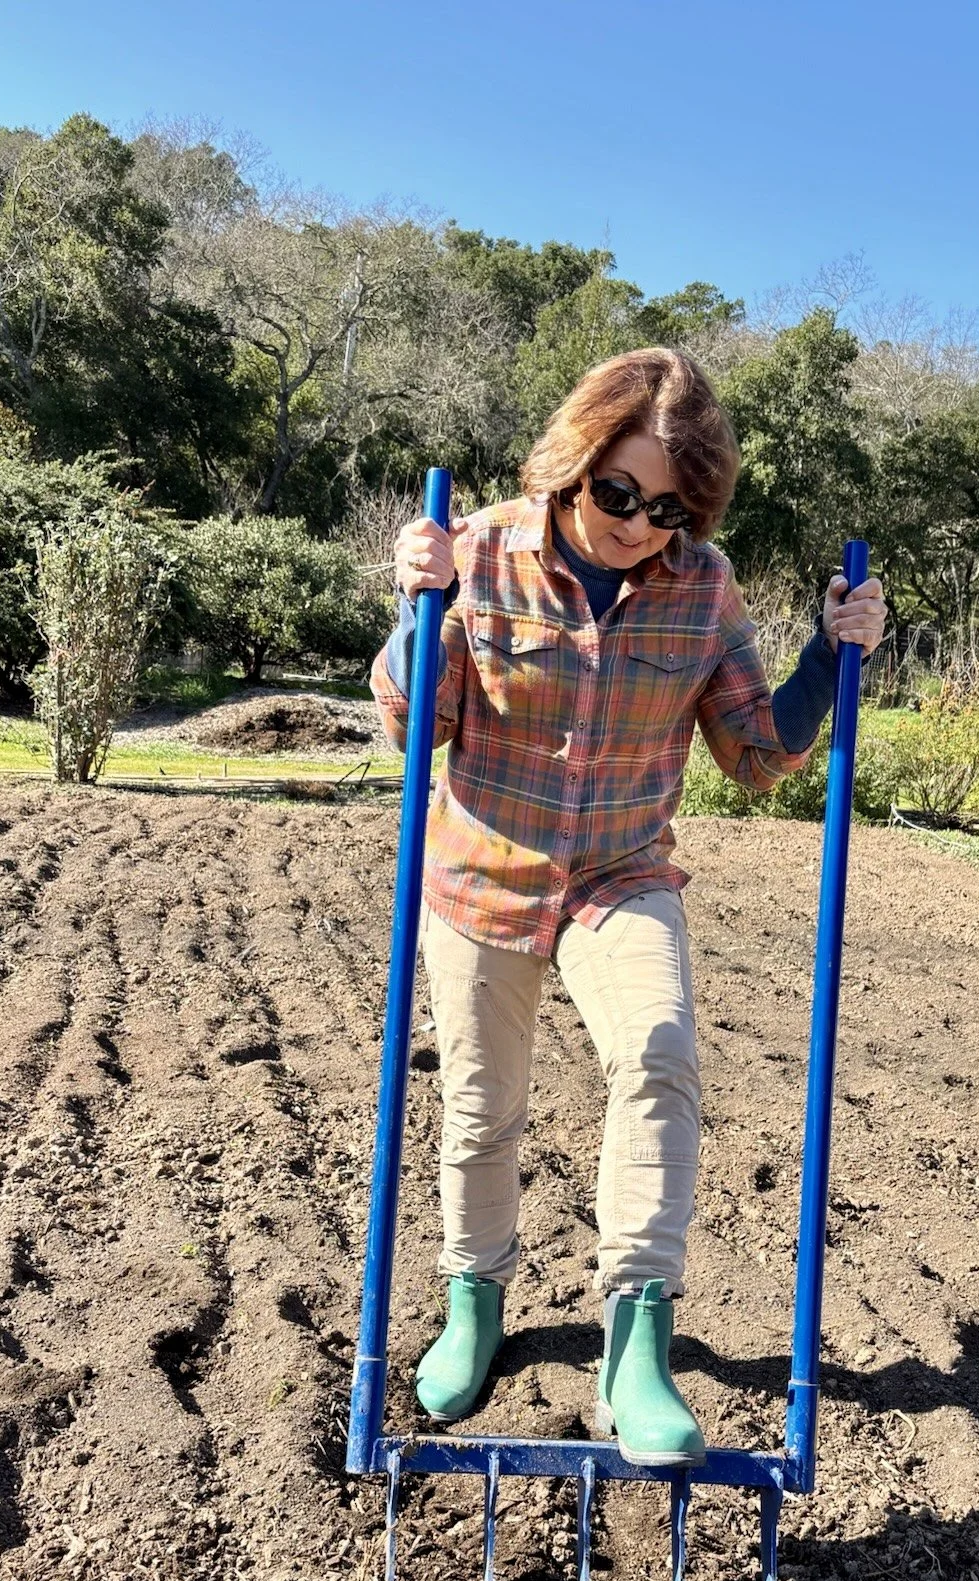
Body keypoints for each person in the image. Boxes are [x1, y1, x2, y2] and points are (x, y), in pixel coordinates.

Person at [370, 347, 885, 1467]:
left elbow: (758, 752)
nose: (640, 524)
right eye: (619, 492)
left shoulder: (701, 583)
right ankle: (476, 1300)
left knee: (659, 1052)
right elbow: (425, 722)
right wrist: (422, 604)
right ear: (576, 460)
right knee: (479, 1106)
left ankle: (637, 1335)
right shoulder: (486, 550)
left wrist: (829, 657)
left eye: (669, 507)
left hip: (620, 871)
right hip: (483, 869)